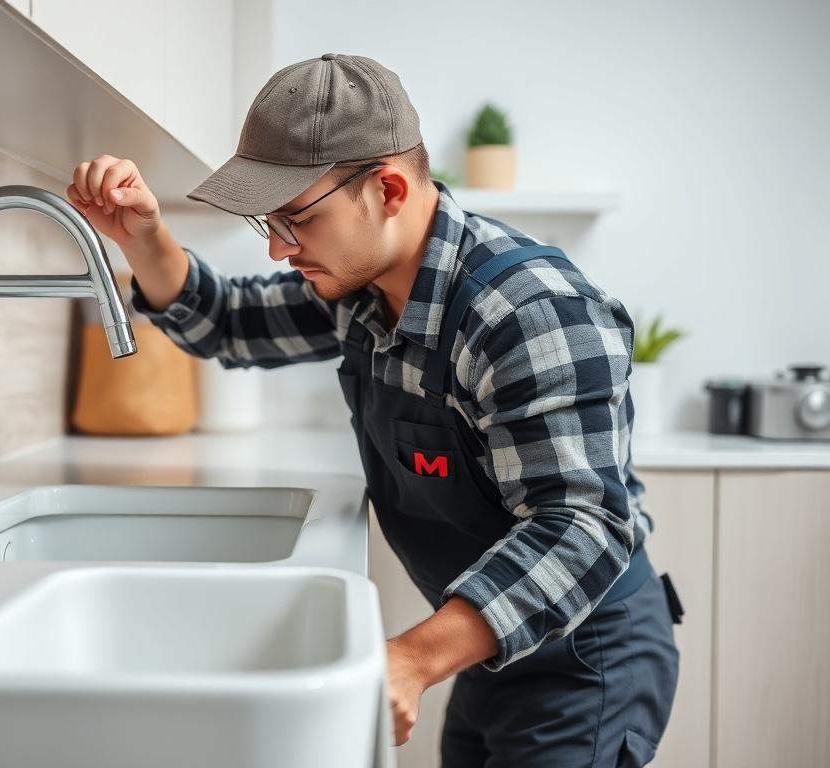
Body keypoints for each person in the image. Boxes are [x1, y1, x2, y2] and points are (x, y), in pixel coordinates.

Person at [66, 53, 681, 768]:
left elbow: (585, 527)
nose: (276, 246)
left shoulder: (528, 313)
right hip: (493, 652)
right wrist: (142, 235)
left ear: (387, 188)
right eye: (269, 221)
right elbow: (227, 320)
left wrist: (415, 658)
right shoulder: (362, 292)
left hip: (582, 658)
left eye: (296, 219)